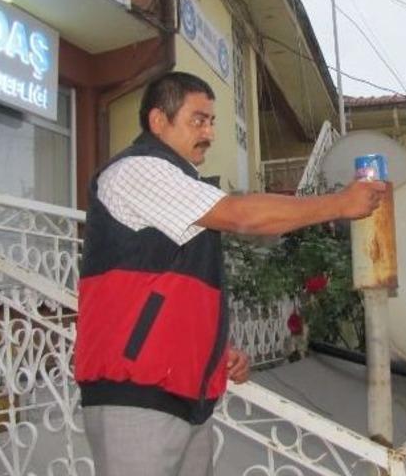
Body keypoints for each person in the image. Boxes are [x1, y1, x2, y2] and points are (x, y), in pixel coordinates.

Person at [74, 71, 385, 476]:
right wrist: (339, 204)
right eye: (197, 120)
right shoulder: (137, 171)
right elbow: (243, 216)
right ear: (158, 121)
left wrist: (213, 352)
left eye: (212, 121)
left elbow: (168, 291)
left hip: (184, 395)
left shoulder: (183, 186)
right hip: (136, 396)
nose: (209, 132)